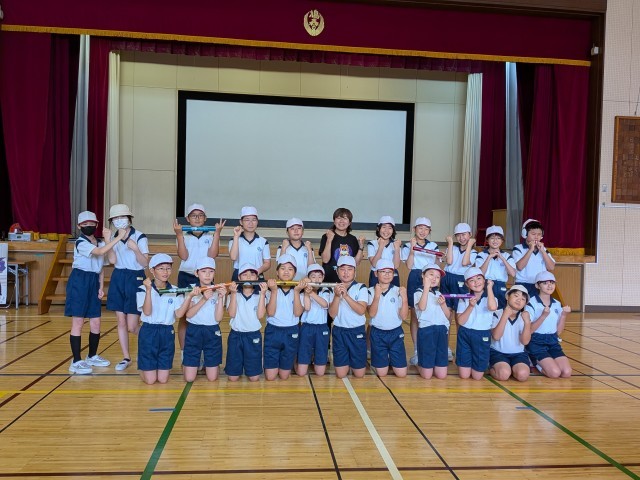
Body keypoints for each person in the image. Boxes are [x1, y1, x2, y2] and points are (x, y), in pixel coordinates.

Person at [66, 211, 125, 374]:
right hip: (79, 281)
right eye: (85, 224)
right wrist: (118, 237)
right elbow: (98, 253)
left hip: (93, 281)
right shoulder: (80, 242)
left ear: (97, 225)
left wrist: (100, 286)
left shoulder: (100, 243)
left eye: (92, 224)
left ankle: (92, 355)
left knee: (96, 322)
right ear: (79, 226)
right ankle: (76, 361)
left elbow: (105, 264)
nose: (89, 226)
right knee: (78, 322)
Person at [173, 203, 225, 358]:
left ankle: (203, 354)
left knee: (205, 311)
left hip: (205, 276)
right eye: (194, 215)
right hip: (186, 275)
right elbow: (183, 256)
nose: (197, 218)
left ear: (205, 218)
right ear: (188, 218)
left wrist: (217, 233)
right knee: (185, 316)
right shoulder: (183, 234)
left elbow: (213, 255)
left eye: (200, 215)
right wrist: (179, 235)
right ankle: (185, 353)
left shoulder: (210, 235)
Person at [137, 254, 194, 385]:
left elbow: (179, 314)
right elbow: (147, 311)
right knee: (150, 381)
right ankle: (143, 366)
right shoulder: (142, 289)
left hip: (167, 331)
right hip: (149, 331)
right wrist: (148, 290)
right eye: (161, 268)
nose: (165, 272)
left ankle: (152, 367)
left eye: (168, 268)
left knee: (163, 380)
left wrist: (189, 297)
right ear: (152, 270)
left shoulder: (175, 290)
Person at [105, 204, 149, 371]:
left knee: (132, 325)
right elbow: (112, 261)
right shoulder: (113, 237)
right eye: (115, 218)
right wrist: (108, 241)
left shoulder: (140, 236)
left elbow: (145, 263)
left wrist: (136, 249)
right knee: (121, 321)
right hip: (118, 277)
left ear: (129, 219)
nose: (119, 220)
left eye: (122, 217)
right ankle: (126, 357)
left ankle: (149, 340)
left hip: (135, 277)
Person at [402, 217, 440, 366]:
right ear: (414, 229)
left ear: (429, 231)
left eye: (426, 229)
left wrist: (438, 259)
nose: (423, 231)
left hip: (430, 276)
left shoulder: (434, 245)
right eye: (420, 228)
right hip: (415, 276)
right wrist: (412, 249)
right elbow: (409, 266)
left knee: (430, 312)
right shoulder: (408, 245)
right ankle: (417, 350)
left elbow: (437, 265)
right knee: (415, 315)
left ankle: (429, 349)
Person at [183, 257, 227, 382]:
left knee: (212, 378)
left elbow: (218, 318)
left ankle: (208, 362)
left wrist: (220, 298)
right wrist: (203, 299)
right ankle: (195, 361)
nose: (207, 275)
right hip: (194, 330)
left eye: (211, 271)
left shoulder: (218, 290)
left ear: (214, 273)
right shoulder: (191, 290)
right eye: (203, 271)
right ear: (197, 273)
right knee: (189, 378)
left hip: (212, 330)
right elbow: (188, 315)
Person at [264, 254, 304, 381]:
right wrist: (274, 291)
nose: (286, 272)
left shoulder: (299, 290)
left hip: (291, 331)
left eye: (290, 269)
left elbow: (297, 313)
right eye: (283, 268)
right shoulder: (270, 290)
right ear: (277, 272)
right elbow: (270, 312)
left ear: (295, 273)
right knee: (270, 377)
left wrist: (297, 292)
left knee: (284, 376)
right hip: (273, 330)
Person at [525, 271, 572, 378]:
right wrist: (543, 316)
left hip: (552, 341)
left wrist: (563, 315)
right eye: (545, 283)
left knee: (566, 372)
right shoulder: (531, 303)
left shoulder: (557, 303)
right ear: (537, 285)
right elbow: (529, 330)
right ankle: (533, 360)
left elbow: (558, 332)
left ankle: (546, 362)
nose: (550, 285)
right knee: (555, 373)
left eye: (552, 282)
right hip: (536, 342)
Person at [225, 264, 267, 382]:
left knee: (254, 378)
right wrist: (233, 294)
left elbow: (260, 315)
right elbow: (232, 314)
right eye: (244, 274)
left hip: (253, 335)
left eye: (252, 274)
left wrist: (263, 294)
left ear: (257, 278)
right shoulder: (233, 295)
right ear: (239, 277)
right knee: (233, 378)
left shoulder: (261, 295)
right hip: (236, 335)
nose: (248, 277)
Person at [328, 256, 369, 378]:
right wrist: (337, 296)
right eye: (342, 269)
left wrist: (345, 296)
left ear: (355, 272)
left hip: (356, 331)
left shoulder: (361, 287)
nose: (346, 273)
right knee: (340, 375)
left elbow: (361, 310)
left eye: (350, 269)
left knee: (359, 375)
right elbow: (332, 314)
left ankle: (355, 363)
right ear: (337, 271)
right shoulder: (333, 288)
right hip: (339, 331)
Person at [367, 259, 408, 377]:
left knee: (401, 374)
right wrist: (377, 296)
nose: (386, 274)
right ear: (376, 273)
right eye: (383, 272)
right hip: (378, 333)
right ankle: (386, 358)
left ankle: (392, 358)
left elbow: (404, 316)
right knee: (382, 373)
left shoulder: (398, 291)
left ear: (393, 274)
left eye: (389, 272)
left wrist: (404, 298)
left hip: (395, 333)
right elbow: (372, 314)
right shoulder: (370, 291)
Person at [455, 267, 498, 380]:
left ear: (484, 280)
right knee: (464, 375)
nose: (476, 282)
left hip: (482, 334)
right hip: (465, 333)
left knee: (477, 377)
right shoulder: (464, 298)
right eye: (472, 280)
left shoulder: (491, 297)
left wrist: (489, 288)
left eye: (479, 278)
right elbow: (460, 321)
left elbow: (492, 307)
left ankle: (487, 365)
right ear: (467, 284)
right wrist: (470, 306)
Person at [414, 263, 451, 379]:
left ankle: (432, 363)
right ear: (423, 276)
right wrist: (426, 287)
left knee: (441, 375)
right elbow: (422, 307)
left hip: (441, 331)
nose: (434, 278)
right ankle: (418, 362)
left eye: (437, 277)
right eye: (431, 275)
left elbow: (448, 315)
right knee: (427, 376)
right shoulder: (418, 292)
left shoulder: (439, 294)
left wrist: (443, 304)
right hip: (427, 331)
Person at [489, 285, 532, 382]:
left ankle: (511, 369)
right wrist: (505, 315)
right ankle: (491, 367)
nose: (519, 300)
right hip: (498, 352)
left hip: (519, 354)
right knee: (503, 374)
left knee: (523, 375)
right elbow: (496, 336)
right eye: (516, 296)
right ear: (508, 297)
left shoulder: (524, 316)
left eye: (523, 299)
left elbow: (525, 342)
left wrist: (527, 323)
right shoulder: (497, 313)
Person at [296, 264, 331, 376]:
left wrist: (311, 293)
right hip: (306, 327)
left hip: (322, 328)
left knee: (320, 373)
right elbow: (307, 307)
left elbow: (325, 304)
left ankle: (317, 360)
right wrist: (307, 292)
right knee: (301, 373)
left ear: (323, 278)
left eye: (319, 276)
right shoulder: (303, 292)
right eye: (313, 276)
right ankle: (298, 361)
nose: (316, 279)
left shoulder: (325, 290)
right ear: (308, 278)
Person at [511, 219, 555, 298]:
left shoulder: (543, 250)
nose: (536, 237)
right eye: (533, 234)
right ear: (525, 234)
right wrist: (530, 249)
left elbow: (551, 267)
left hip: (540, 285)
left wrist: (542, 251)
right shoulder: (518, 248)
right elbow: (520, 266)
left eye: (539, 234)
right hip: (523, 285)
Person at [318, 208, 364, 284]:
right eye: (338, 218)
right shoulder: (326, 236)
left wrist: (361, 246)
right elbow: (325, 260)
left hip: (347, 282)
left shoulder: (353, 239)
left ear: (349, 223)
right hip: (329, 280)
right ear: (334, 221)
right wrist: (329, 240)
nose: (341, 221)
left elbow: (356, 263)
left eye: (345, 218)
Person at [475, 225, 516, 309]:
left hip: (501, 286)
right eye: (492, 238)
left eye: (498, 238)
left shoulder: (507, 256)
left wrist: (502, 258)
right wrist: (489, 257)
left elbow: (513, 273)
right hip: (485, 285)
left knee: (500, 311)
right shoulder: (481, 255)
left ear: (502, 241)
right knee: (484, 310)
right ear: (487, 240)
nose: (495, 241)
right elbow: (480, 273)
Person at [442, 222, 477, 310]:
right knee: (446, 307)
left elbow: (465, 262)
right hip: (446, 277)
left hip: (461, 279)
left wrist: (470, 245)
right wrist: (450, 243)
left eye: (464, 234)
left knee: (460, 308)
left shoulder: (473, 252)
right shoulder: (452, 248)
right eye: (458, 235)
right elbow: (449, 261)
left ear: (470, 235)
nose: (461, 238)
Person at [229, 206, 270, 282]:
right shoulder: (234, 239)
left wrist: (256, 272)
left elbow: (267, 263)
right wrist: (236, 236)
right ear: (241, 222)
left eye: (254, 220)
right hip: (239, 274)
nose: (250, 223)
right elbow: (233, 257)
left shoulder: (263, 241)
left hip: (257, 274)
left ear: (257, 222)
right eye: (247, 220)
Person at [366, 216, 402, 287]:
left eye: (390, 228)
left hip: (392, 275)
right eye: (384, 227)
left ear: (393, 230)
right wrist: (381, 247)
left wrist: (397, 249)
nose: (386, 231)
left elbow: (396, 266)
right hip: (376, 275)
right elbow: (374, 264)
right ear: (378, 229)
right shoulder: (372, 243)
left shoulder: (396, 244)